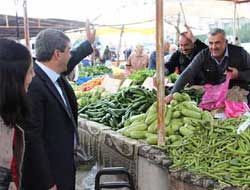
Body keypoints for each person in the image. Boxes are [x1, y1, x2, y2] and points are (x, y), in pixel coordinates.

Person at [22, 25, 95, 190]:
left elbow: (70, 60)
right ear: (57, 54)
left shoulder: (51, 72)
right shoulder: (33, 85)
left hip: (63, 164)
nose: (70, 55)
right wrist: (47, 182)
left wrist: (87, 44)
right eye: (68, 51)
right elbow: (32, 138)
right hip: (50, 173)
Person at [165, 28, 250, 103]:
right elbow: (188, 73)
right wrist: (172, 94)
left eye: (217, 43)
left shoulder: (240, 53)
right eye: (211, 43)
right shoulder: (204, 54)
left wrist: (238, 74)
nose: (213, 47)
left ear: (226, 42)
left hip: (236, 91)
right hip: (214, 92)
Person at [0, 39, 34, 190]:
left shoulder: (7, 114)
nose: (33, 76)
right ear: (13, 79)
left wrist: (10, 181)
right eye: (30, 71)